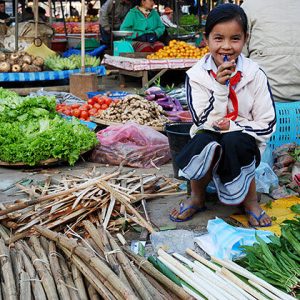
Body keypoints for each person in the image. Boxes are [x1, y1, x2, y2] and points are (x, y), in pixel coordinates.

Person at [169, 4, 276, 227]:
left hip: (244, 139)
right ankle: (197, 197)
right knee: (204, 139)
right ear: (206, 39)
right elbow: (201, 120)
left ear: (245, 39)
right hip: (209, 134)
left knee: (233, 139)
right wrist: (219, 87)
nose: (226, 47)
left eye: (235, 39)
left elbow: (266, 123)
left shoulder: (254, 74)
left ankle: (249, 201)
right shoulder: (197, 75)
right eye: (218, 38)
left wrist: (234, 128)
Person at [241, 0, 300, 102]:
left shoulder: (250, 6)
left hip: (261, 101)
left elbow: (238, 57)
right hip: (262, 100)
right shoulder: (250, 7)